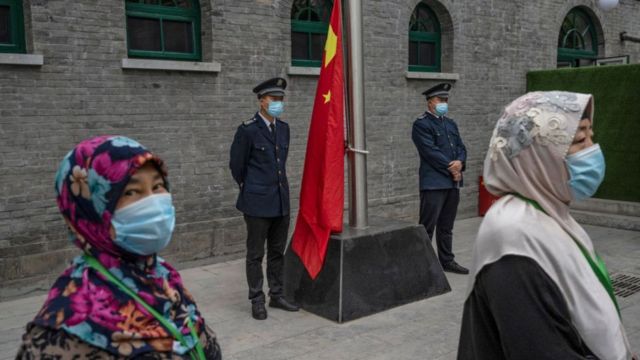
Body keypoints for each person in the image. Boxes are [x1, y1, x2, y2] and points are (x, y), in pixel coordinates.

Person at [458, 92, 636, 359]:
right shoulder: (513, 235)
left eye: (591, 135)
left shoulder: (548, 214)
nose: (592, 149)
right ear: (538, 155)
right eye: (579, 140)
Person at [15, 136, 222, 359]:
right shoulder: (61, 332)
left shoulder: (163, 279)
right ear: (91, 208)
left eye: (158, 186)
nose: (153, 202)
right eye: (131, 192)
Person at [229, 77, 299, 320]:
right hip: (257, 203)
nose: (278, 103)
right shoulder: (247, 130)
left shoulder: (284, 128)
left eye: (281, 99)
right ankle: (256, 298)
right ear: (261, 101)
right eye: (273, 99)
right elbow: (236, 166)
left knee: (278, 252)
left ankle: (277, 294)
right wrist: (252, 189)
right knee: (256, 253)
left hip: (281, 201)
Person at [411, 83, 469, 274]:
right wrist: (451, 168)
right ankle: (422, 265)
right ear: (430, 103)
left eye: (446, 100)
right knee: (427, 227)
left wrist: (460, 163)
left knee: (446, 226)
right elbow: (430, 152)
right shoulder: (421, 124)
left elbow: (461, 147)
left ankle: (447, 261)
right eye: (440, 100)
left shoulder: (450, 123)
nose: (444, 103)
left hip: (452, 183)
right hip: (433, 184)